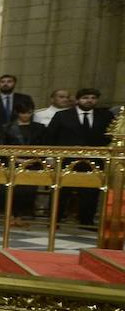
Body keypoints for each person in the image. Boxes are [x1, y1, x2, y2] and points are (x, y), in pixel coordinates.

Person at [46, 87, 116, 227]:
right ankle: (55, 220)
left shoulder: (105, 116)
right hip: (67, 159)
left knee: (90, 192)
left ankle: (86, 221)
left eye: (93, 98)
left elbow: (111, 137)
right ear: (77, 100)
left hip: (95, 159)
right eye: (85, 97)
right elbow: (50, 137)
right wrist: (50, 157)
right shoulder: (63, 115)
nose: (89, 100)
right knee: (61, 190)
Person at [1, 97, 47, 227]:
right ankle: (10, 216)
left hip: (33, 164)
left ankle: (21, 216)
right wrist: (17, 159)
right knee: (12, 190)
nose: (26, 115)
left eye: (28, 112)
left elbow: (44, 147)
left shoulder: (40, 128)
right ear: (17, 112)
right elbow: (2, 147)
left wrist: (33, 159)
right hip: (13, 163)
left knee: (28, 191)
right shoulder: (7, 128)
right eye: (23, 112)